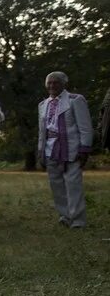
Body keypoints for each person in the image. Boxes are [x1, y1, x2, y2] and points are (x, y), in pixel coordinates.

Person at [38, 71, 93, 229]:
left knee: (73, 184)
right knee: (56, 185)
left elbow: (85, 127)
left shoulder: (75, 100)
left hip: (71, 148)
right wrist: (40, 150)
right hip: (50, 149)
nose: (52, 85)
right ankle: (65, 216)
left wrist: (84, 148)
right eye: (49, 82)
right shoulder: (43, 105)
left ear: (63, 84)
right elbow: (42, 131)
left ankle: (78, 220)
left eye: (55, 82)